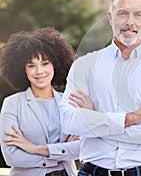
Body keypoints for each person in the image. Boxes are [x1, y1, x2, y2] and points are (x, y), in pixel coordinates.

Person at [59, 0, 141, 176]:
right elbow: (69, 121)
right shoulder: (85, 65)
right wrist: (133, 117)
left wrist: (94, 120)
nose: (130, 22)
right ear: (110, 17)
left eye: (138, 14)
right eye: (122, 13)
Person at [0, 27, 89, 176]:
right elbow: (11, 156)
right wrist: (59, 153)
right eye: (31, 65)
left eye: (45, 63)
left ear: (55, 64)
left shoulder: (70, 102)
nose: (39, 71)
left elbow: (84, 147)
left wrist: (35, 148)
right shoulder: (12, 104)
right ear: (23, 70)